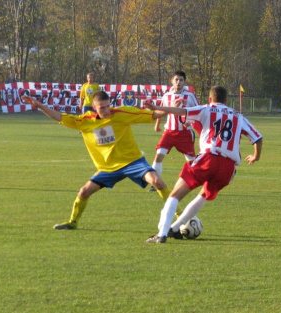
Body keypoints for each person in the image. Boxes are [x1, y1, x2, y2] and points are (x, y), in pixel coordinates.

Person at [21, 91, 180, 230]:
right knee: (84, 192)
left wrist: (170, 108)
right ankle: (72, 222)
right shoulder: (85, 121)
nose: (106, 110)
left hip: (132, 162)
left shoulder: (122, 113)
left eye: (107, 106)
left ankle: (181, 216)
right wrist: (39, 105)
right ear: (94, 107)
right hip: (108, 168)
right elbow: (59, 117)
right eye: (102, 107)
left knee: (156, 181)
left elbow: (152, 114)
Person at [144, 86, 263, 244]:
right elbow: (258, 138)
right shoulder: (238, 116)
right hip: (228, 168)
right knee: (203, 196)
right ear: (226, 101)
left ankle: (162, 233)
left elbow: (182, 112)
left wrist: (158, 107)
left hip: (208, 158)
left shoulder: (207, 109)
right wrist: (256, 156)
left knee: (175, 195)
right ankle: (174, 229)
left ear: (210, 99)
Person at [150, 71, 199, 191]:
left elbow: (198, 111)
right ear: (172, 81)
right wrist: (157, 125)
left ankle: (197, 181)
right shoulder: (167, 96)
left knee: (191, 161)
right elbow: (162, 110)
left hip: (185, 133)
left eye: (181, 80)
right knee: (159, 155)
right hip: (169, 132)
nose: (178, 82)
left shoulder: (190, 96)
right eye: (176, 80)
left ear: (184, 82)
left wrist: (190, 122)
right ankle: (155, 184)